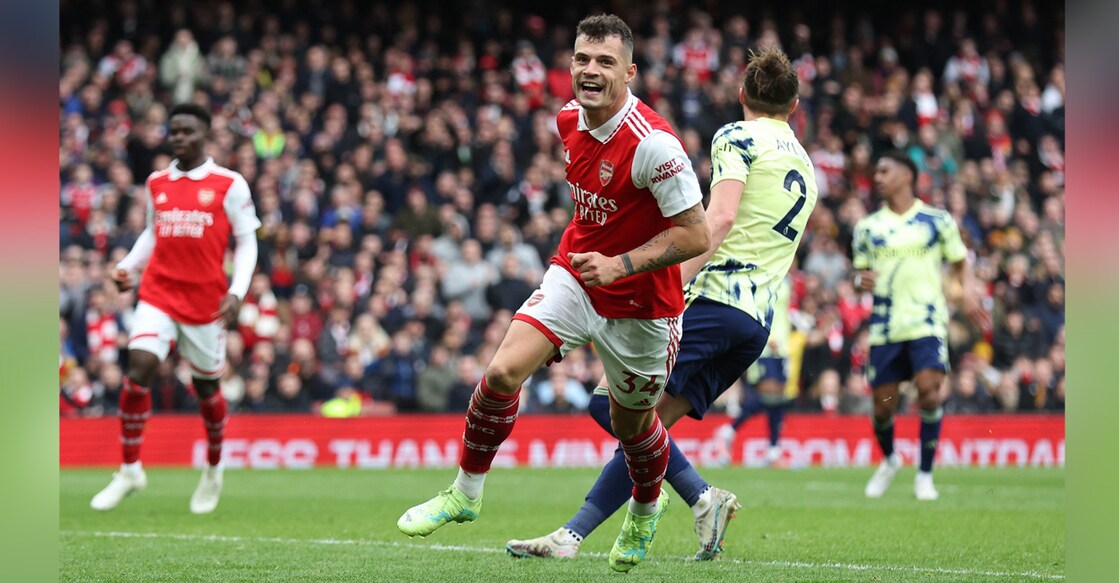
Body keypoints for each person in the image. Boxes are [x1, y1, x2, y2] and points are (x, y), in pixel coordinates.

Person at [396, 14, 710, 573]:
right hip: (576, 275)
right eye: (582, 59)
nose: (590, 71)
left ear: (630, 72)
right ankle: (465, 494)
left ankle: (643, 510)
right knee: (499, 375)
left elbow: (696, 233)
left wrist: (622, 263)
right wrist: (595, 262)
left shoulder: (655, 146)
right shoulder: (568, 119)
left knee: (633, 428)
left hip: (643, 306)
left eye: (605, 62)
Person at [505, 45, 817, 562]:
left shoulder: (736, 136)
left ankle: (700, 497)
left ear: (742, 94)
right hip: (755, 321)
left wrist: (670, 290)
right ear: (795, 104)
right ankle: (573, 536)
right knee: (645, 429)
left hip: (712, 299)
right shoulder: (804, 162)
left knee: (610, 406)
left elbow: (717, 220)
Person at [89, 103, 261, 514]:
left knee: (206, 390)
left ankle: (214, 468)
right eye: (174, 131)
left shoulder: (229, 184)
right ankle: (130, 469)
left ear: (205, 134)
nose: (179, 138)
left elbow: (248, 241)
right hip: (159, 293)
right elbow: (153, 232)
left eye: (187, 131)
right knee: (140, 367)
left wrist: (237, 291)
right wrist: (129, 265)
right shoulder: (156, 182)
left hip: (205, 304)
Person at [853, 150, 990, 501]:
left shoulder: (936, 220)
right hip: (885, 326)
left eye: (885, 170)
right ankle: (889, 459)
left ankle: (925, 475)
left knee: (930, 390)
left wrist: (969, 293)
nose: (878, 176)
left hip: (927, 322)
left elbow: (960, 262)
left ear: (906, 176)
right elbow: (859, 274)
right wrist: (858, 283)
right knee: (884, 405)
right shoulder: (868, 228)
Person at [714, 275, 793, 467]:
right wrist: (769, 335)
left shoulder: (787, 279)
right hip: (766, 345)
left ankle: (772, 450)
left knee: (779, 397)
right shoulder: (761, 276)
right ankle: (729, 431)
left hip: (783, 345)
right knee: (769, 394)